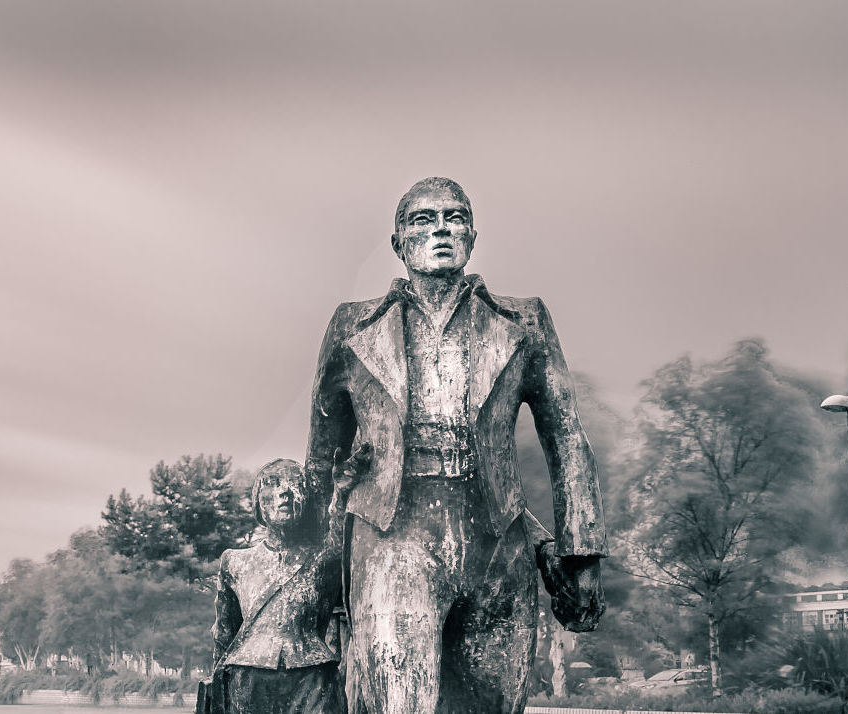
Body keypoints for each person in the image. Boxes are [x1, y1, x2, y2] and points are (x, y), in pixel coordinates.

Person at [306, 177, 607, 714]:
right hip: (389, 534)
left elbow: (564, 434)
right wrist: (315, 558)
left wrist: (580, 554)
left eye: (455, 217)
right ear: (398, 242)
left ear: (472, 236)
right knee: (399, 701)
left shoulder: (524, 320)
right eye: (423, 219)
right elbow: (322, 454)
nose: (441, 229)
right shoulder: (352, 325)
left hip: (497, 540)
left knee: (493, 703)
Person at [206, 451, 366, 714]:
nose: (286, 492)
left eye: (296, 485)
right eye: (273, 484)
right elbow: (225, 633)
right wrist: (215, 685)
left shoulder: (322, 559)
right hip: (247, 679)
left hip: (311, 678)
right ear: (258, 503)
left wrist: (341, 494)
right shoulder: (234, 562)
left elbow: (341, 540)